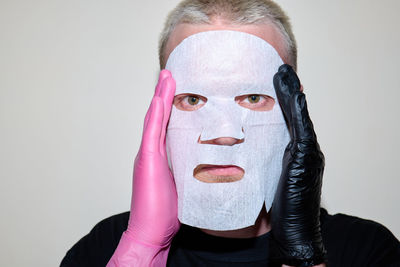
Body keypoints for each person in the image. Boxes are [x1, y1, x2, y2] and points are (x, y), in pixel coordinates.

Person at [60, 1, 400, 266]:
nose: (224, 135)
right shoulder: (103, 248)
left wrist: (302, 256)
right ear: (160, 108)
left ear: (294, 108)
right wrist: (142, 249)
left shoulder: (367, 250)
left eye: (253, 98)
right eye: (192, 99)